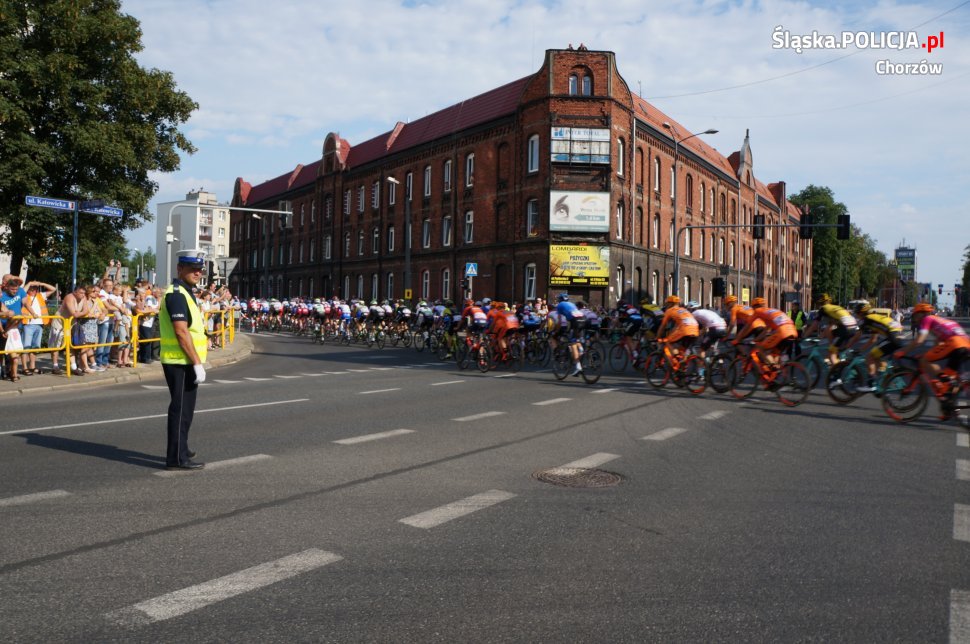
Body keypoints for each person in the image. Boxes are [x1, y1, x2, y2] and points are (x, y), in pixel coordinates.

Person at [159, 250, 209, 470]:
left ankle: (182, 447)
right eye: (192, 269)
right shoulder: (177, 294)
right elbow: (181, 332)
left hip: (184, 360)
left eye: (200, 269)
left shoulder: (186, 293)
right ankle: (176, 458)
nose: (197, 273)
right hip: (179, 361)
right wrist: (197, 362)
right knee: (180, 410)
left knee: (187, 409)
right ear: (180, 269)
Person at [20, 281, 56, 375]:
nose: (33, 290)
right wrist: (30, 283)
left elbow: (53, 289)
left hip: (40, 324)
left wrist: (42, 284)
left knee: (35, 347)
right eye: (32, 288)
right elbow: (23, 290)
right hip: (28, 324)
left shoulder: (40, 295)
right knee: (26, 347)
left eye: (35, 288)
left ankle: (32, 367)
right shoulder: (23, 296)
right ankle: (24, 368)